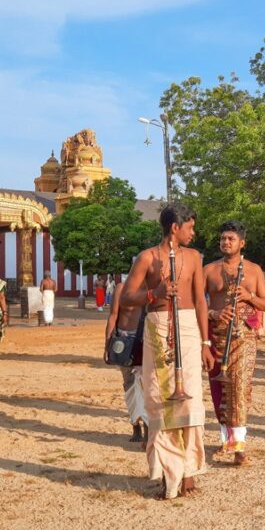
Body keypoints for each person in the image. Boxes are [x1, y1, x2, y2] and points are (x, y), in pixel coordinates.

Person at [121, 203, 212, 499]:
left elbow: (200, 301)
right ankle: (168, 474)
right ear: (175, 227)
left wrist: (206, 344)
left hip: (188, 328)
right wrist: (155, 293)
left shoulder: (194, 257)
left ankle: (188, 471)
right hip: (158, 328)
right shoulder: (147, 257)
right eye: (190, 227)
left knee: (191, 400)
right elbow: (127, 298)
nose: (194, 233)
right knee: (161, 401)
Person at [205, 221, 265, 465]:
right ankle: (227, 438)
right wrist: (214, 313)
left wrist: (249, 296)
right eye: (223, 238)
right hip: (216, 335)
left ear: (242, 243)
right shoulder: (209, 270)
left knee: (240, 387)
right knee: (219, 389)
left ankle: (239, 446)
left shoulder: (254, 270)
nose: (226, 242)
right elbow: (196, 303)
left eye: (231, 239)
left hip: (245, 336)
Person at [105, 276, 148, 443]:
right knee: (129, 386)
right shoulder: (120, 289)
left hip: (143, 340)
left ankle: (147, 426)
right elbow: (113, 316)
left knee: (145, 385)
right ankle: (135, 425)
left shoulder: (148, 290)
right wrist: (107, 345)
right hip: (123, 342)